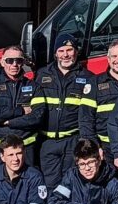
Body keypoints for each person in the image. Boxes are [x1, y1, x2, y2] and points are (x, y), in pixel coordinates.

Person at [28, 33, 96, 188]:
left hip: (72, 141)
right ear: (55, 54)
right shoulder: (41, 75)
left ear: (76, 52)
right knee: (49, 185)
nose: (65, 55)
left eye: (69, 50)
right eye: (61, 51)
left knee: (71, 184)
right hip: (47, 142)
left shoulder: (88, 77)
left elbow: (89, 114)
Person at [0, 45, 42, 172]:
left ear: (23, 62)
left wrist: (9, 122)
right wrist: (21, 111)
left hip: (24, 147)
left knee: (27, 181)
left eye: (18, 60)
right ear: (2, 62)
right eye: (9, 60)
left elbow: (37, 117)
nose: (14, 64)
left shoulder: (34, 86)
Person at [91, 40, 118, 147]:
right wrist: (93, 145)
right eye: (114, 56)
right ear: (108, 59)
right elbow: (86, 118)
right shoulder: (95, 82)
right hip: (105, 146)